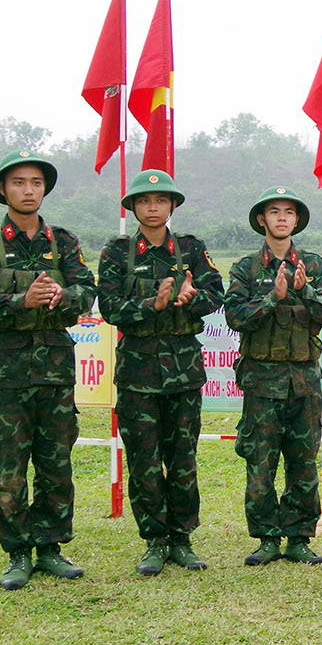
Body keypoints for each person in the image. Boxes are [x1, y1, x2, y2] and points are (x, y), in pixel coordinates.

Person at [0, 151, 97, 589]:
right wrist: (22, 301)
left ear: (44, 189)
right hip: (5, 374)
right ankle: (18, 551)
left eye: (36, 182)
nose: (28, 190)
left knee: (56, 463)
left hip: (55, 372)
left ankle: (52, 546)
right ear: (4, 189)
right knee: (10, 466)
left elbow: (87, 291)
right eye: (19, 182)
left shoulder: (64, 241)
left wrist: (62, 294)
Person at [96, 170, 225, 576]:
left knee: (183, 458)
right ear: (133, 207)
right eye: (144, 200)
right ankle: (154, 539)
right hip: (137, 374)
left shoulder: (190, 248)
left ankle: (182, 539)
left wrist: (191, 298)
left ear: (172, 206)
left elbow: (215, 293)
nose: (153, 207)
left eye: (161, 200)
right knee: (144, 459)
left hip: (184, 372)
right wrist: (151, 305)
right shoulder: (117, 252)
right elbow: (110, 307)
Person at [224, 187, 322, 566]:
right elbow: (235, 316)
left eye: (288, 212)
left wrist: (304, 291)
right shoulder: (246, 267)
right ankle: (266, 538)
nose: (281, 218)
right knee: (260, 462)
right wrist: (273, 298)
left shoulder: (313, 265)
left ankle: (299, 538)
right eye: (273, 212)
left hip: (304, 381)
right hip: (261, 382)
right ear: (262, 219)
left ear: (296, 221)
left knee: (303, 461)